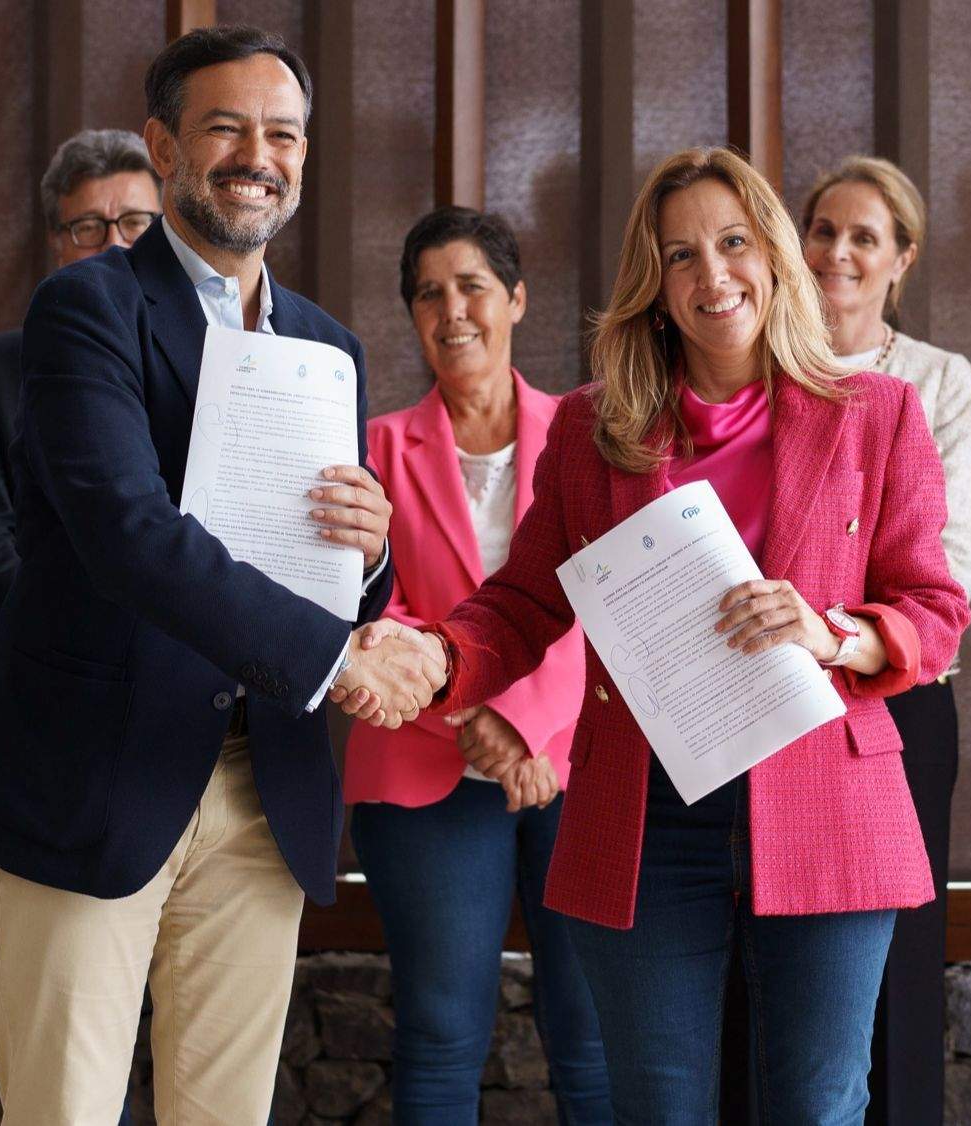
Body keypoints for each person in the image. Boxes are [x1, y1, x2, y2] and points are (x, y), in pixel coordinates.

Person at [344, 147, 970, 1122]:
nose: (711, 275)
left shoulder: (875, 414)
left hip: (825, 801)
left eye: (731, 243)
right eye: (680, 256)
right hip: (645, 815)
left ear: (771, 253)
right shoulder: (595, 429)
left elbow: (932, 611)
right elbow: (521, 604)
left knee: (814, 1107)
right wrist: (435, 657)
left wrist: (833, 632)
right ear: (655, 285)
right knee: (655, 1106)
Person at [0, 26, 444, 1122]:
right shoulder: (86, 308)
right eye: (224, 127)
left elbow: (323, 564)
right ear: (162, 149)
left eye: (281, 134)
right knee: (61, 1109)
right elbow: (122, 528)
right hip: (94, 777)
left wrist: (368, 557)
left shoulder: (327, 346)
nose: (254, 154)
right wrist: (336, 655)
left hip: (261, 783)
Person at [346, 206, 611, 1120]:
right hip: (421, 767)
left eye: (473, 287)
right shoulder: (372, 447)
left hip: (575, 760)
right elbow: (370, 611)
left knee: (592, 1034)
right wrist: (478, 725)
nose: (452, 310)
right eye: (429, 293)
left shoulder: (587, 430)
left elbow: (606, 596)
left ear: (517, 300)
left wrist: (527, 724)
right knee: (441, 1030)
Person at [800, 155, 971, 1125]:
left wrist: (823, 629)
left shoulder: (939, 384)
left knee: (897, 967)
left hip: (898, 703)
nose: (836, 253)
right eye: (822, 230)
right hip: (770, 704)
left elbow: (942, 576)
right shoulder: (755, 362)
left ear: (900, 260)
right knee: (771, 960)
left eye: (862, 236)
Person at [0, 128, 161, 632]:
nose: (115, 246)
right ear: (56, 243)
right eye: (88, 227)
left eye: (135, 223)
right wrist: (75, 651)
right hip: (60, 673)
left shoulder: (217, 357)